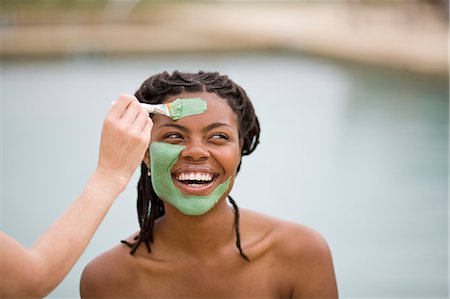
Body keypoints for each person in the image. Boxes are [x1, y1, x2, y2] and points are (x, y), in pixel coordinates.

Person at [80, 71, 338, 298]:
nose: (196, 152)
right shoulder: (106, 280)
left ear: (240, 150)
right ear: (145, 153)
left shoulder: (301, 254)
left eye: (218, 136)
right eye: (173, 136)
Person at [0, 95, 153, 298]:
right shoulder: (104, 276)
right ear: (147, 155)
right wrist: (109, 174)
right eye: (175, 136)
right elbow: (26, 282)